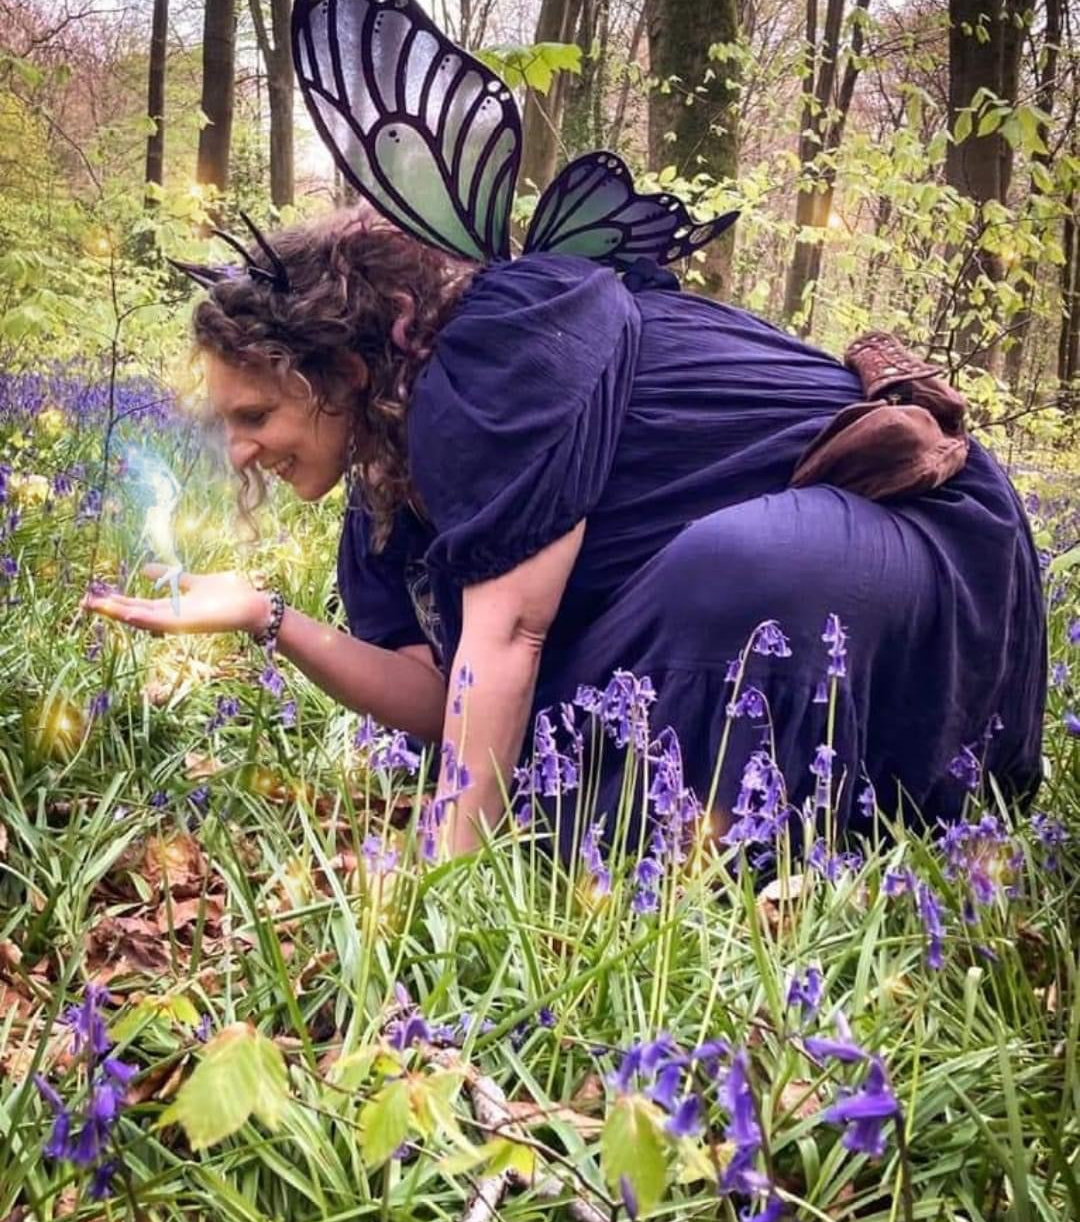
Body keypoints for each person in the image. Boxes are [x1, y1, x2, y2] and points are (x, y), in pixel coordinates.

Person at [83, 207, 1047, 859]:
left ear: (339, 369)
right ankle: (654, 841)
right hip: (773, 574)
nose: (242, 452)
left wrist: (445, 887)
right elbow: (440, 694)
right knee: (557, 719)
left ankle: (763, 852)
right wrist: (268, 617)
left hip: (918, 543)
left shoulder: (494, 371)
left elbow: (507, 641)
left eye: (255, 415)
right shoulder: (388, 492)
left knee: (736, 570)